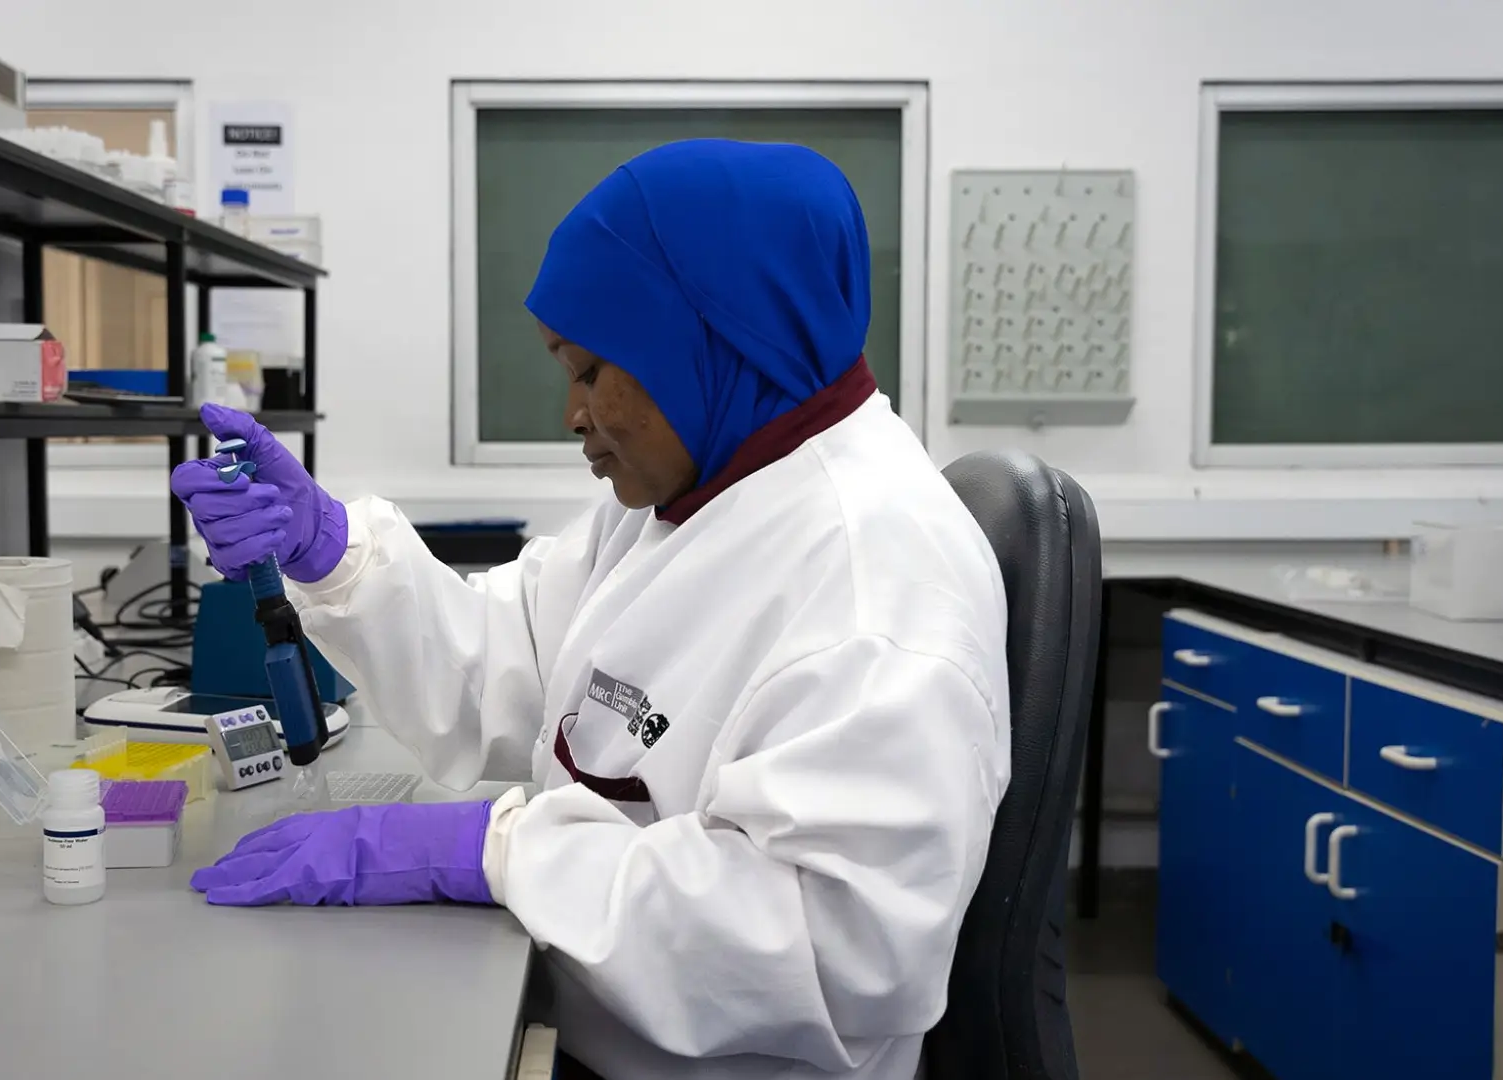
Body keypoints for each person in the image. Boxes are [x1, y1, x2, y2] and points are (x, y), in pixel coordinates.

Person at [171, 139, 1010, 1080]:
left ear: (709, 340)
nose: (571, 414)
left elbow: (829, 949)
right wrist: (329, 552)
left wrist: (491, 853)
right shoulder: (699, 489)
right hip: (589, 1022)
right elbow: (512, 658)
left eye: (591, 370)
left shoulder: (875, 586)